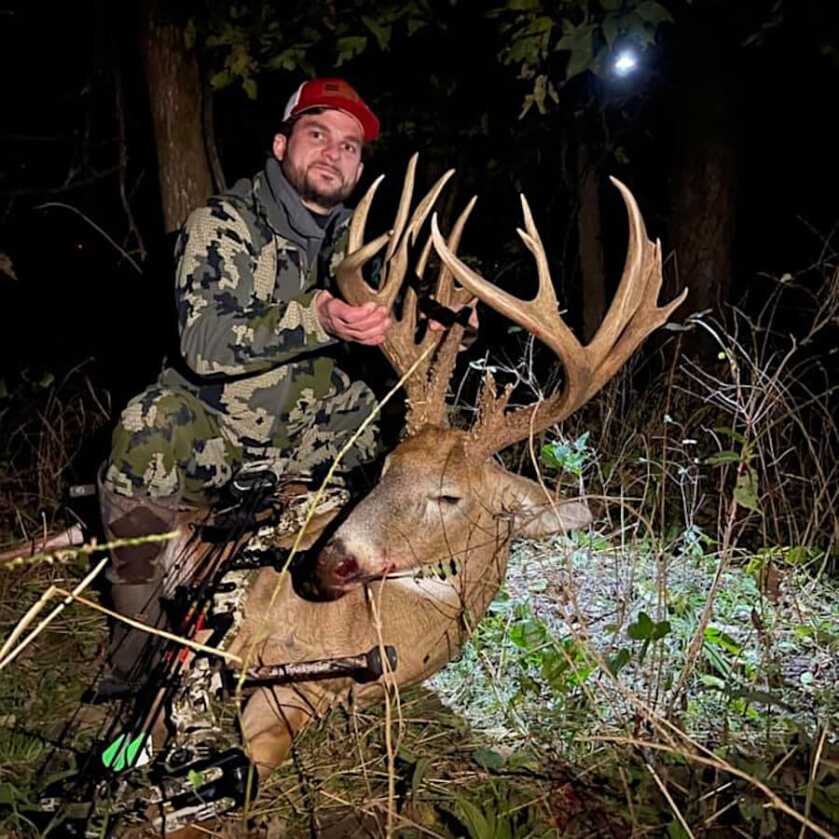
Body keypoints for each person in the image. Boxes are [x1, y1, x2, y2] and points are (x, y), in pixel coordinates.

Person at [97, 78, 392, 694]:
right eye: (318, 135)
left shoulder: (365, 249)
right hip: (219, 435)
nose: (333, 153)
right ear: (282, 145)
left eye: (350, 146)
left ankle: (360, 623)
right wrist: (316, 316)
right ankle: (137, 657)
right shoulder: (222, 224)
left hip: (310, 440)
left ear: (360, 168)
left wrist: (455, 331)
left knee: (398, 441)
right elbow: (202, 344)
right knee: (146, 428)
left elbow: (398, 336)